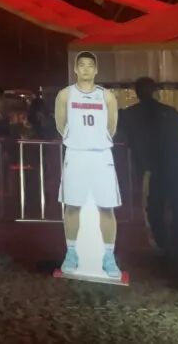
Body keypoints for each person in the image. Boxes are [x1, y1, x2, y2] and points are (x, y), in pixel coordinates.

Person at [55, 51, 122, 279]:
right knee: (72, 205)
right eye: (81, 65)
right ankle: (71, 252)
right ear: (75, 69)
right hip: (76, 154)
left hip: (101, 156)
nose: (85, 69)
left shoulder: (106, 96)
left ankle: (109, 256)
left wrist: (96, 140)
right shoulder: (65, 94)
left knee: (107, 207)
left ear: (96, 69)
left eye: (90, 65)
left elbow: (112, 126)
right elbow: (60, 124)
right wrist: (78, 139)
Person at [115, 76, 178, 257]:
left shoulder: (129, 115)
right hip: (176, 166)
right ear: (155, 91)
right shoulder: (170, 113)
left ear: (136, 93)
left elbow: (118, 135)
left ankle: (161, 243)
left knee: (154, 207)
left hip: (151, 169)